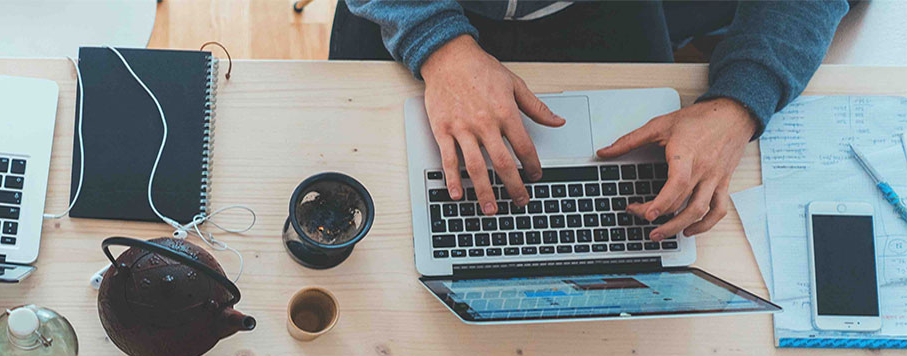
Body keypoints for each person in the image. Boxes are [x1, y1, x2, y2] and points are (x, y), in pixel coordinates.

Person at [343, 1, 848, 240]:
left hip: (606, 12)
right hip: (411, 13)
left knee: (641, 234)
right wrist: (434, 40)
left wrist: (740, 103)